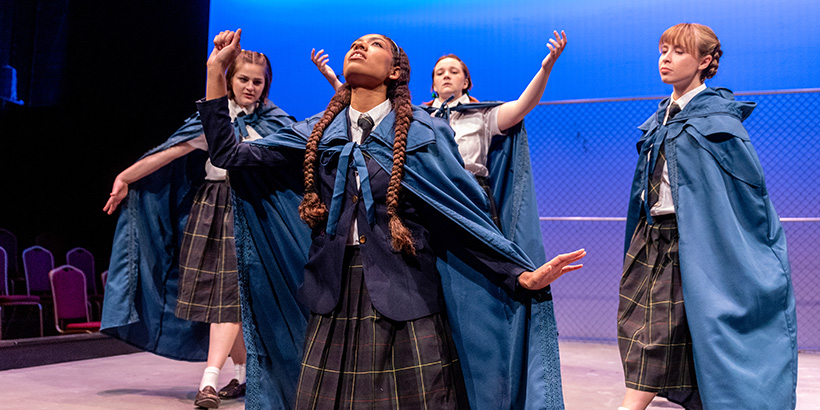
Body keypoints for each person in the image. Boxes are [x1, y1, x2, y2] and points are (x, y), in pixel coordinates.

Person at [201, 29, 585, 409]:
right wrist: (216, 70)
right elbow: (228, 154)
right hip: (332, 290)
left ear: (395, 72)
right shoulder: (319, 131)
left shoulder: (423, 132)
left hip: (405, 292)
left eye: (375, 44)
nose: (358, 46)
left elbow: (459, 216)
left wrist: (517, 273)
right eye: (355, 42)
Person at [313, 31, 569, 408]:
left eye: (454, 71)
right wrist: (339, 83)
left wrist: (546, 67)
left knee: (467, 306)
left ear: (467, 81)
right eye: (439, 72)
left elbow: (520, 108)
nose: (446, 76)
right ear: (428, 81)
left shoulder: (472, 117)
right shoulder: (411, 120)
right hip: (404, 216)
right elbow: (359, 118)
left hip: (461, 207)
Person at [100, 49, 295, 409]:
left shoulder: (276, 122)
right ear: (228, 81)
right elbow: (170, 152)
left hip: (252, 212)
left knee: (233, 297)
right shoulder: (211, 120)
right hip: (211, 211)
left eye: (258, 81)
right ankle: (242, 372)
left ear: (266, 84)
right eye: (243, 79)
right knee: (220, 297)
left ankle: (208, 380)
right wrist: (124, 177)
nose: (251, 86)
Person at [617, 23, 797, 410]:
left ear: (705, 61)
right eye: (663, 49)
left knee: (668, 334)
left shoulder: (717, 120)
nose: (665, 58)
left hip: (700, 244)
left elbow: (744, 196)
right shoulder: (661, 119)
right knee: (649, 329)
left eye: (678, 51)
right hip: (653, 240)